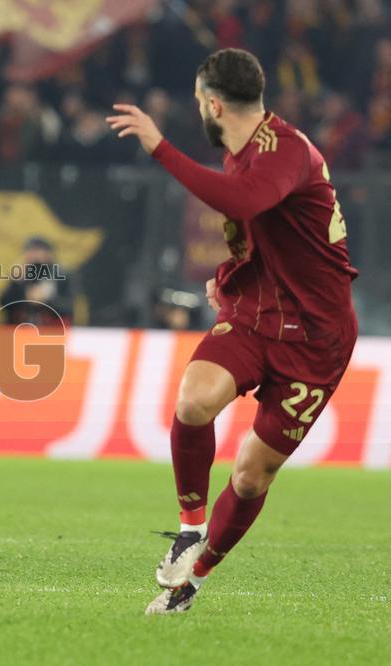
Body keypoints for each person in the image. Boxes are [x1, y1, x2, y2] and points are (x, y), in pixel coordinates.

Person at [107, 48, 358, 614]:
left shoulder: (285, 151)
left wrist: (159, 146)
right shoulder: (242, 153)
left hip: (318, 336)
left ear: (211, 103)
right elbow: (264, 231)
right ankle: (190, 527)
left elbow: (244, 201)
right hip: (257, 313)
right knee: (194, 402)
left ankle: (193, 578)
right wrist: (228, 276)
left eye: (199, 103)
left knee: (250, 475)